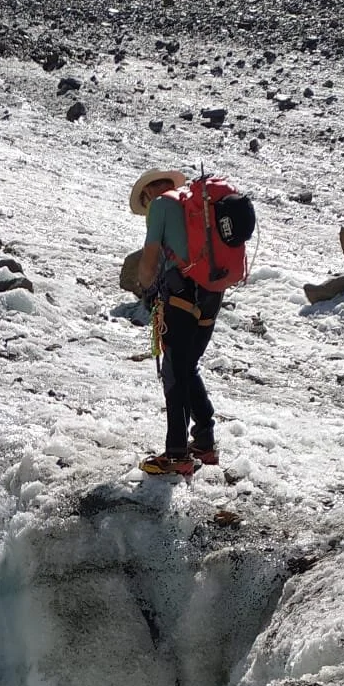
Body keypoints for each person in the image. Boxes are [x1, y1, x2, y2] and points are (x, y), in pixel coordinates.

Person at [130, 167, 255, 477]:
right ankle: (204, 441)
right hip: (213, 290)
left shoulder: (159, 206)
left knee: (175, 368)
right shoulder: (195, 206)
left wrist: (146, 289)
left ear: (148, 193)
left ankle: (176, 454)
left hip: (182, 291)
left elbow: (149, 258)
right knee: (188, 365)